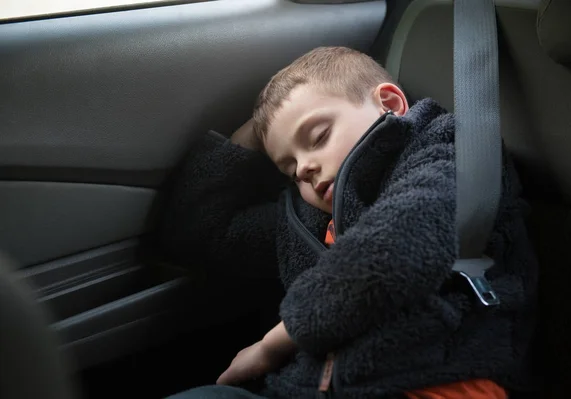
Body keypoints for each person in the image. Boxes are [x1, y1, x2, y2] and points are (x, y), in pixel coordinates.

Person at [161, 47, 538, 399]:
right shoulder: (304, 218)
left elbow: (391, 253)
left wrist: (274, 343)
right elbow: (203, 234)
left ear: (389, 104)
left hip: (435, 377)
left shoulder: (445, 154)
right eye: (289, 169)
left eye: (318, 136)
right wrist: (252, 136)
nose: (304, 168)